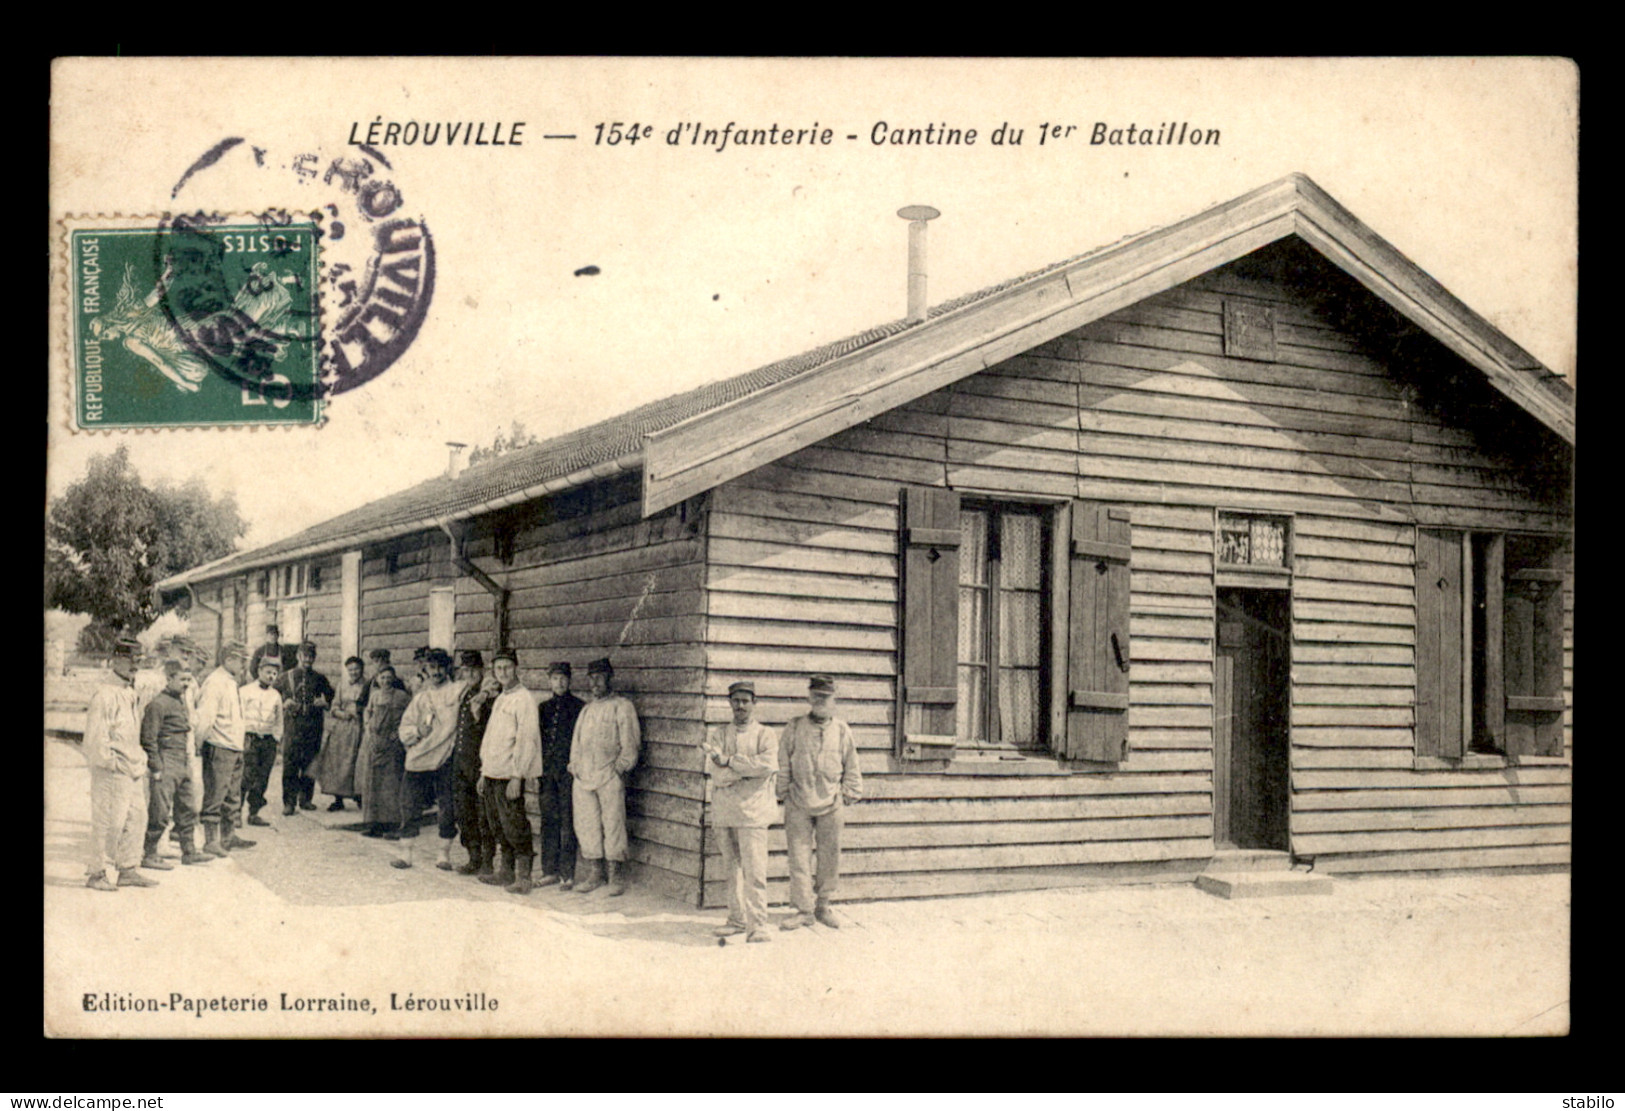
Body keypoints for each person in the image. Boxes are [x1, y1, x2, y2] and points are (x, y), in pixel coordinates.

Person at [777, 675, 863, 930]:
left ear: (833, 699)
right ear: (808, 697)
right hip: (798, 802)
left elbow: (852, 764)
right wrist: (783, 792)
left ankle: (823, 906)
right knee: (799, 858)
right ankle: (804, 910)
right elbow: (783, 762)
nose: (820, 701)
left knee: (829, 856)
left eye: (825, 697)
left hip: (831, 802)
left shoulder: (842, 730)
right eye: (816, 696)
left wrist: (848, 792)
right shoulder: (794, 727)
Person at [704, 681, 779, 943]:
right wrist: (742, 772)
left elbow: (767, 766)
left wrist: (729, 761)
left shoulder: (765, 735)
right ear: (729, 703)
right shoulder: (719, 735)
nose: (740, 706)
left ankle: (757, 925)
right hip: (725, 811)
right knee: (731, 869)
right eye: (736, 701)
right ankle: (736, 919)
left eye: (746, 701)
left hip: (753, 814)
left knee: (755, 870)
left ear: (754, 703)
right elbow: (716, 774)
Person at [84, 635, 157, 892]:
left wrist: (137, 761)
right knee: (108, 822)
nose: (135, 665)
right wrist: (111, 763)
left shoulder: (130, 692)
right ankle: (96, 873)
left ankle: (127, 869)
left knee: (137, 817)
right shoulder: (105, 694)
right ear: (116, 659)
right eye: (130, 660)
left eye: (139, 659)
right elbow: (95, 739)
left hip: (132, 767)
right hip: (112, 770)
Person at [567, 657, 640, 896]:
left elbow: (630, 744)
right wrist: (575, 767)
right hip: (584, 777)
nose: (595, 683)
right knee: (587, 825)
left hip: (609, 776)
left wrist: (619, 769)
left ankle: (615, 876)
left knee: (613, 824)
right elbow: (576, 744)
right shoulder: (586, 710)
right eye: (591, 678)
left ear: (610, 678)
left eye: (599, 677)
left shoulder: (622, 706)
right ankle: (594, 873)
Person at [477, 649, 544, 894]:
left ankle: (523, 877)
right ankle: (505, 871)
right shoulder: (501, 699)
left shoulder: (524, 699)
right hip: (493, 772)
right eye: (498, 669)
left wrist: (518, 775)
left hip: (509, 775)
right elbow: (490, 738)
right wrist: (484, 771)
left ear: (516, 668)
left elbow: (527, 740)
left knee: (514, 823)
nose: (503, 673)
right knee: (497, 825)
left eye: (507, 667)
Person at [392, 648, 465, 869]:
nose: (436, 672)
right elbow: (404, 728)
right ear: (427, 670)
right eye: (432, 668)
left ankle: (443, 854)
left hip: (444, 758)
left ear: (448, 669)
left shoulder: (457, 691)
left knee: (447, 806)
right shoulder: (421, 698)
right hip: (418, 758)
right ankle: (406, 853)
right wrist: (417, 732)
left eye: (440, 667)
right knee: (410, 805)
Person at [139, 660, 211, 869]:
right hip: (166, 761)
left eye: (189, 679)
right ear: (169, 679)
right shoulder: (157, 704)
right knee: (160, 811)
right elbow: (148, 739)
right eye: (182, 679)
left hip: (182, 760)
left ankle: (189, 852)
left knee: (188, 807)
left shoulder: (181, 701)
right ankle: (150, 853)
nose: (186, 683)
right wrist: (157, 767)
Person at [194, 641, 255, 858]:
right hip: (219, 747)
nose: (244, 666)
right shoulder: (215, 683)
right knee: (216, 794)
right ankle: (211, 841)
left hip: (234, 747)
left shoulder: (230, 681)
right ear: (229, 659)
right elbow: (205, 718)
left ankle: (228, 836)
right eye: (241, 661)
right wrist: (199, 744)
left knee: (232, 796)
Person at [536, 661, 583, 889]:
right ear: (549, 681)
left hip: (568, 775)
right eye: (555, 678)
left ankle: (567, 874)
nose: (559, 682)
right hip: (547, 775)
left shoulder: (579, 708)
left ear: (570, 680)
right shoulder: (543, 708)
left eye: (563, 678)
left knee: (567, 823)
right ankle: (549, 871)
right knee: (548, 821)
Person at [451, 650, 496, 876]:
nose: (469, 674)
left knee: (483, 815)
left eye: (473, 670)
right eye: (465, 671)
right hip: (461, 762)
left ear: (481, 671)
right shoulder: (466, 693)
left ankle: (487, 861)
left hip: (479, 763)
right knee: (464, 812)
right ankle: (473, 857)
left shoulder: (489, 696)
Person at [277, 642, 334, 815]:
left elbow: (332, 697)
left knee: (310, 763)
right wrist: (283, 702)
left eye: (311, 656)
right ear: (298, 656)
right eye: (305, 656)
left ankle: (306, 799)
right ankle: (289, 802)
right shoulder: (285, 677)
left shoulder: (320, 678)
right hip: (293, 726)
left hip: (313, 726)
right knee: (290, 764)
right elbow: (272, 697)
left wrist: (325, 703)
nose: (308, 660)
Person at [359, 665, 410, 838]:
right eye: (382, 678)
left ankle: (393, 825)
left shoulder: (402, 697)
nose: (386, 681)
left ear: (394, 679)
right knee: (373, 784)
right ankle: (375, 825)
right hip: (374, 743)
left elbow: (411, 716)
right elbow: (367, 712)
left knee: (391, 785)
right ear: (377, 679)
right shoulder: (374, 695)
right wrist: (367, 727)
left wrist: (398, 733)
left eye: (389, 677)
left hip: (392, 745)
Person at [314, 656, 366, 810]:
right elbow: (334, 706)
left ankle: (360, 796)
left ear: (362, 669)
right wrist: (342, 714)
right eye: (350, 670)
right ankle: (338, 799)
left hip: (360, 727)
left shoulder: (368, 685)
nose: (354, 672)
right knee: (338, 762)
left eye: (356, 669)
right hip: (343, 728)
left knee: (357, 762)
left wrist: (359, 712)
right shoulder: (342, 686)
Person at [238, 655, 285, 827]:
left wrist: (276, 738)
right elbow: (239, 715)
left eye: (274, 673)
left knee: (262, 777)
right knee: (246, 776)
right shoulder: (245, 691)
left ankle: (254, 813)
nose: (271, 676)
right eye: (268, 672)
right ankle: (236, 812)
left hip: (268, 741)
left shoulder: (276, 695)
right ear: (259, 671)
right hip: (249, 739)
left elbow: (279, 720)